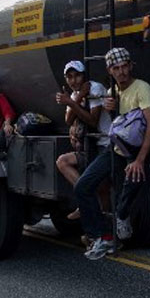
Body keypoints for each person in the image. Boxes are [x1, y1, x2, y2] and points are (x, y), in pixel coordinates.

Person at [78, 47, 150, 260]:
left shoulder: (142, 88)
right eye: (117, 68)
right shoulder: (113, 92)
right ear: (110, 70)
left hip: (138, 151)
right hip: (117, 148)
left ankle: (122, 217)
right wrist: (109, 108)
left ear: (131, 66)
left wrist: (140, 160)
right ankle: (101, 236)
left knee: (129, 185)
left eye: (125, 67)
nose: (122, 72)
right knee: (83, 185)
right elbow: (116, 125)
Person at [54, 60, 110, 220]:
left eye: (77, 76)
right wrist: (77, 98)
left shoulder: (95, 88)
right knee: (62, 162)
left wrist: (72, 101)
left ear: (84, 76)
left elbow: (93, 120)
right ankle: (87, 198)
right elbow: (68, 120)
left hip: (104, 143)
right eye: (69, 77)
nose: (73, 81)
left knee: (102, 186)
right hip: (89, 145)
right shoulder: (74, 94)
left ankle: (104, 224)